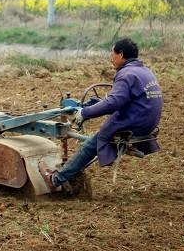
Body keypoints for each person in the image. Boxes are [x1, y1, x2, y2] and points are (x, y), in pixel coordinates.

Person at [40, 38, 163, 190]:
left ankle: (55, 179)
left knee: (90, 145)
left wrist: (85, 113)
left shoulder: (126, 74)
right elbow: (125, 99)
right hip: (148, 123)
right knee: (96, 138)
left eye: (112, 53)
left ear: (121, 54)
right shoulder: (144, 71)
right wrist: (97, 104)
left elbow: (114, 102)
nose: (111, 57)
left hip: (133, 123)